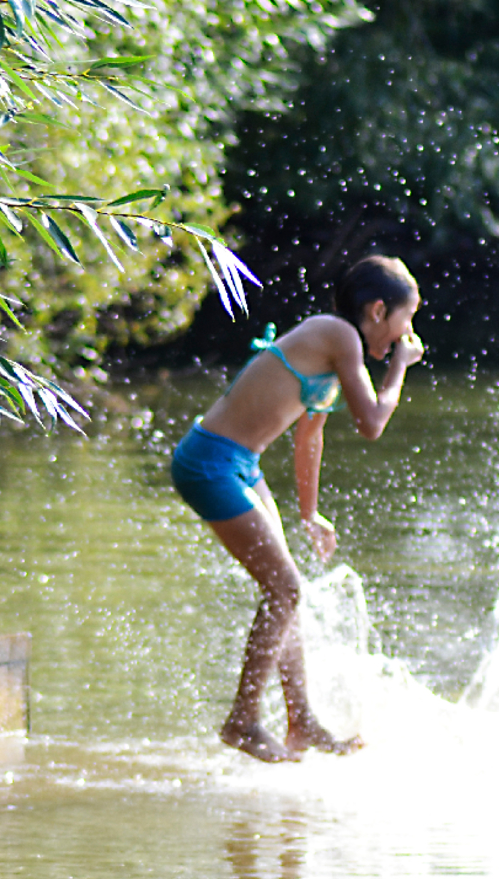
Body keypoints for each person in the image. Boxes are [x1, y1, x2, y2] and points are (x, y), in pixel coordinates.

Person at [170, 255, 425, 762]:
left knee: (290, 595)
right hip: (209, 463)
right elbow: (371, 423)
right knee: (284, 587)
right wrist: (398, 368)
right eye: (405, 321)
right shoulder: (338, 335)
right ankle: (242, 721)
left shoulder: (335, 351)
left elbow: (310, 434)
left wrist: (309, 513)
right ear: (378, 311)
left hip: (242, 464)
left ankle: (301, 722)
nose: (407, 335)